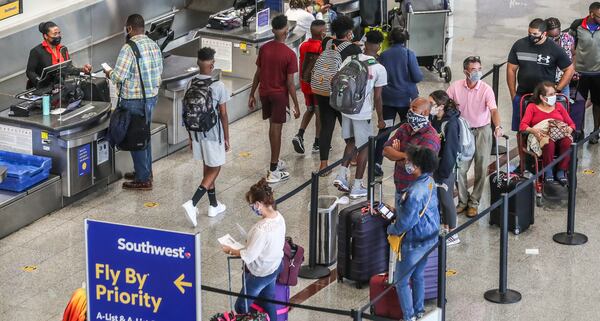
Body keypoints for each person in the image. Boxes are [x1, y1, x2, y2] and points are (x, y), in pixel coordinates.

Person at [104, 14, 163, 190]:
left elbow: (119, 76)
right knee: (144, 134)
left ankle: (143, 179)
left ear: (129, 28)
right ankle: (145, 171)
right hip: (151, 98)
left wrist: (109, 73)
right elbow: (160, 70)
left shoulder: (128, 48)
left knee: (136, 137)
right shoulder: (153, 44)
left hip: (134, 101)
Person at [387, 146, 440, 321]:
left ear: (417, 166)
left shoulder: (415, 191)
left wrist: (392, 229)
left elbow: (406, 223)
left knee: (401, 281)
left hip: (414, 242)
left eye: (409, 162)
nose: (406, 164)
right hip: (430, 238)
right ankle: (419, 311)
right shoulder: (430, 182)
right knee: (418, 275)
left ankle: (409, 317)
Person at [221, 178, 286, 321]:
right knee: (268, 300)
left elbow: (249, 256)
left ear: (258, 204)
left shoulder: (261, 229)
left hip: (261, 272)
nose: (251, 208)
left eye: (251, 205)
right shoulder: (279, 217)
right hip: (275, 266)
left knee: (241, 307)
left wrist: (231, 250)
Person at [333, 30, 387, 198]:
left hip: (346, 108)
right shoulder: (379, 68)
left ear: (366, 43)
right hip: (362, 112)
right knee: (364, 148)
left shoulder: (351, 59)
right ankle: (357, 186)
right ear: (378, 46)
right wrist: (381, 119)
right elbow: (377, 97)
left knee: (351, 142)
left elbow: (334, 79)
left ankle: (342, 175)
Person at [447, 56, 502, 218]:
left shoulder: (486, 89)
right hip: (463, 131)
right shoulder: (455, 87)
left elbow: (493, 110)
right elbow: (446, 103)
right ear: (465, 71)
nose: (477, 72)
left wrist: (497, 126)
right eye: (473, 70)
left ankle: (474, 202)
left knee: (481, 166)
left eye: (479, 69)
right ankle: (463, 201)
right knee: (460, 168)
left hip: (482, 131)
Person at [249, 15, 301, 183]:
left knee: (273, 126)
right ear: (287, 31)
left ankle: (276, 160)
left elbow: (258, 73)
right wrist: (296, 104)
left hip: (265, 93)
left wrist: (252, 94)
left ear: (273, 31)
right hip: (279, 96)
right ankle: (273, 170)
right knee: (276, 129)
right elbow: (290, 83)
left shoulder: (264, 49)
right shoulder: (289, 54)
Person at [181, 47, 230, 226]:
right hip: (212, 134)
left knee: (207, 166)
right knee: (215, 168)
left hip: (196, 134)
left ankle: (213, 205)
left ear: (198, 63)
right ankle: (192, 203)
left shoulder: (190, 84)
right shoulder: (218, 86)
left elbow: (186, 111)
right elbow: (223, 114)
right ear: (212, 64)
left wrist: (189, 136)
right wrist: (226, 137)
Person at [507, 18, 575, 132]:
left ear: (544, 33)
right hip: (523, 95)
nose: (531, 36)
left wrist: (558, 89)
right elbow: (511, 70)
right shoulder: (519, 45)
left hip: (545, 99)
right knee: (522, 130)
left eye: (535, 34)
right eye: (529, 33)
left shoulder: (554, 48)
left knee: (546, 130)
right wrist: (513, 94)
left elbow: (569, 69)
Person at [315, 15, 362, 172]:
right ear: (349, 32)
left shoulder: (326, 42)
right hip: (341, 93)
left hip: (322, 90)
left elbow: (330, 40)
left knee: (326, 126)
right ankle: (354, 158)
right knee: (347, 126)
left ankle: (323, 164)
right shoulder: (353, 49)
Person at [375, 26, 423, 177]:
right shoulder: (409, 54)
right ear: (406, 40)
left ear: (390, 39)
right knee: (410, 130)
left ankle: (376, 162)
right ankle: (408, 160)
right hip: (406, 101)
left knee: (384, 132)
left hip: (388, 99)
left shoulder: (383, 55)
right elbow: (417, 77)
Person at [520, 81, 575, 183]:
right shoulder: (532, 107)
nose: (554, 96)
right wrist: (533, 130)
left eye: (554, 93)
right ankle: (548, 171)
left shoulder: (559, 106)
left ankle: (561, 171)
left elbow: (572, 124)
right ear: (542, 97)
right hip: (541, 136)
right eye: (551, 94)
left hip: (559, 134)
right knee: (549, 142)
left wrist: (569, 129)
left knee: (567, 141)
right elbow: (523, 125)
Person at [383, 97, 441, 194]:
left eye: (414, 109)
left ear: (424, 113)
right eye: (410, 108)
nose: (410, 111)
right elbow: (385, 150)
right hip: (400, 185)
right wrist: (406, 156)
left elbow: (414, 168)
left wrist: (396, 154)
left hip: (417, 191)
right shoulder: (405, 128)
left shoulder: (431, 137)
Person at [429, 90, 461, 245]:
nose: (430, 107)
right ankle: (444, 228)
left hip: (445, 166)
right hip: (435, 164)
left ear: (441, 105)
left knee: (446, 199)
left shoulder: (452, 123)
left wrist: (444, 171)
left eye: (432, 104)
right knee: (439, 198)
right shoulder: (435, 119)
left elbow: (451, 149)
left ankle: (453, 232)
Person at [292, 20, 325, 154]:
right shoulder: (322, 47)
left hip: (305, 84)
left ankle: (300, 134)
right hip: (317, 85)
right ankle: (317, 143)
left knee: (310, 109)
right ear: (322, 32)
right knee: (319, 113)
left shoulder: (303, 45)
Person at [26, 21, 92, 88]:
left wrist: (83, 70)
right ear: (46, 36)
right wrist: (39, 81)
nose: (58, 36)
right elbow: (30, 72)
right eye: (55, 34)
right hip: (44, 88)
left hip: (60, 86)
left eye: (59, 33)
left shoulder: (63, 49)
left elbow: (69, 69)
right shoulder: (37, 51)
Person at [569, 2, 600, 143]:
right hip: (580, 73)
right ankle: (578, 130)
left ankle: (595, 131)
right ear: (591, 14)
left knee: (597, 103)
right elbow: (569, 46)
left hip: (598, 73)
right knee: (578, 103)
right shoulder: (577, 25)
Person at [546, 17, 576, 99]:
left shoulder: (568, 38)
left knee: (564, 107)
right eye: (551, 37)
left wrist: (572, 72)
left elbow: (573, 55)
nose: (554, 39)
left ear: (560, 30)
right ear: (546, 32)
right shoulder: (542, 41)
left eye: (557, 36)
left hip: (564, 81)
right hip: (546, 83)